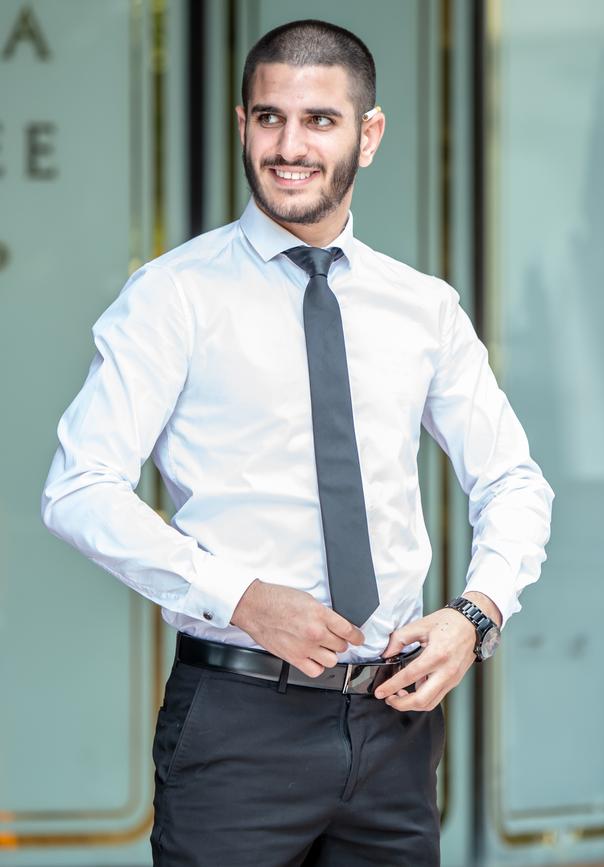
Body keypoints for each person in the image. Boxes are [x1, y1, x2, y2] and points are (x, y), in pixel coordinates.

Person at [41, 18, 553, 867]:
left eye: (320, 120)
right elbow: (78, 487)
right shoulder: (174, 296)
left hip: (394, 725)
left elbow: (514, 479)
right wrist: (239, 594)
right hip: (239, 727)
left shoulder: (422, 306)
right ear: (242, 125)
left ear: (369, 134)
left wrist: (477, 613)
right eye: (270, 117)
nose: (290, 146)